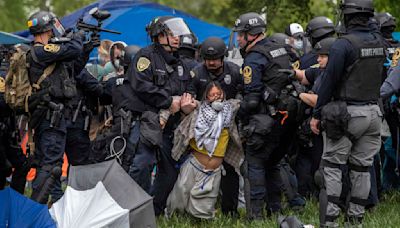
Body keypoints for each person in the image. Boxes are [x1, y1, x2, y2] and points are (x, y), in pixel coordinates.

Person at [309, 0, 385, 226]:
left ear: (348, 17)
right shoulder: (379, 42)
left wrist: (317, 114)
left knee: (332, 168)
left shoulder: (343, 45)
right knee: (361, 169)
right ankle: (356, 220)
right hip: (373, 114)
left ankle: (330, 222)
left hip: (347, 115)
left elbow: (329, 82)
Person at [127, 16, 197, 216]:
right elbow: (140, 85)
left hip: (172, 127)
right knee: (142, 166)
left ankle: (154, 212)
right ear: (159, 36)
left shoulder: (181, 63)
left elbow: (189, 87)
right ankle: (135, 212)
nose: (177, 38)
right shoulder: (145, 57)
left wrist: (186, 103)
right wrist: (168, 101)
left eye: (177, 34)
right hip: (147, 123)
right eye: (171, 34)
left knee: (169, 171)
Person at [232, 12, 299, 219]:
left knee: (256, 164)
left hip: (265, 120)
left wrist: (236, 114)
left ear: (251, 35)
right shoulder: (279, 48)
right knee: (273, 164)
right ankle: (275, 209)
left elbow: (252, 100)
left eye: (241, 35)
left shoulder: (254, 58)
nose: (238, 39)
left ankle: (256, 215)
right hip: (287, 117)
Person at [26, 11, 85, 204]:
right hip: (50, 117)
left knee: (48, 164)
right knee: (50, 165)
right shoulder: (42, 51)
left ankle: (38, 207)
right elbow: (74, 49)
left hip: (50, 117)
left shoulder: (44, 52)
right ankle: (34, 211)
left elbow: (73, 63)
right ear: (47, 28)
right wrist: (74, 36)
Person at [166, 81, 243, 219]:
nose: (216, 97)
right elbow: (176, 104)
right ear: (206, 97)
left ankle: (199, 220)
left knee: (204, 207)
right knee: (180, 197)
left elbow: (238, 102)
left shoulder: (229, 112)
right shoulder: (199, 111)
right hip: (194, 165)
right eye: (212, 95)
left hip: (214, 171)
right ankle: (174, 218)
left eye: (219, 94)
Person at [188, 36, 243, 216]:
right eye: (208, 59)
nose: (211, 63)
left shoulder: (235, 71)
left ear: (223, 57)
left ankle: (230, 210)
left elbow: (243, 95)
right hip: (204, 129)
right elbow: (190, 97)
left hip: (229, 127)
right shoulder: (196, 73)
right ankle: (195, 207)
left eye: (215, 59)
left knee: (230, 168)